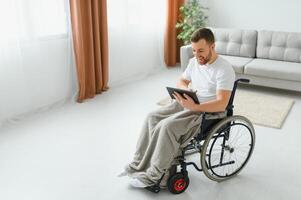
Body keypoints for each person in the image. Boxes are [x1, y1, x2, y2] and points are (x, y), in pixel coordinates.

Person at [119, 28, 235, 189]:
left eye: (201, 50)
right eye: (194, 50)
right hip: (188, 103)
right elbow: (182, 81)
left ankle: (153, 176)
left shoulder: (224, 69)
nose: (197, 55)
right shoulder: (194, 62)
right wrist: (184, 91)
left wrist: (196, 106)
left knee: (166, 127)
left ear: (212, 47)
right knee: (151, 117)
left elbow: (222, 103)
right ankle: (136, 165)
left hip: (206, 112)